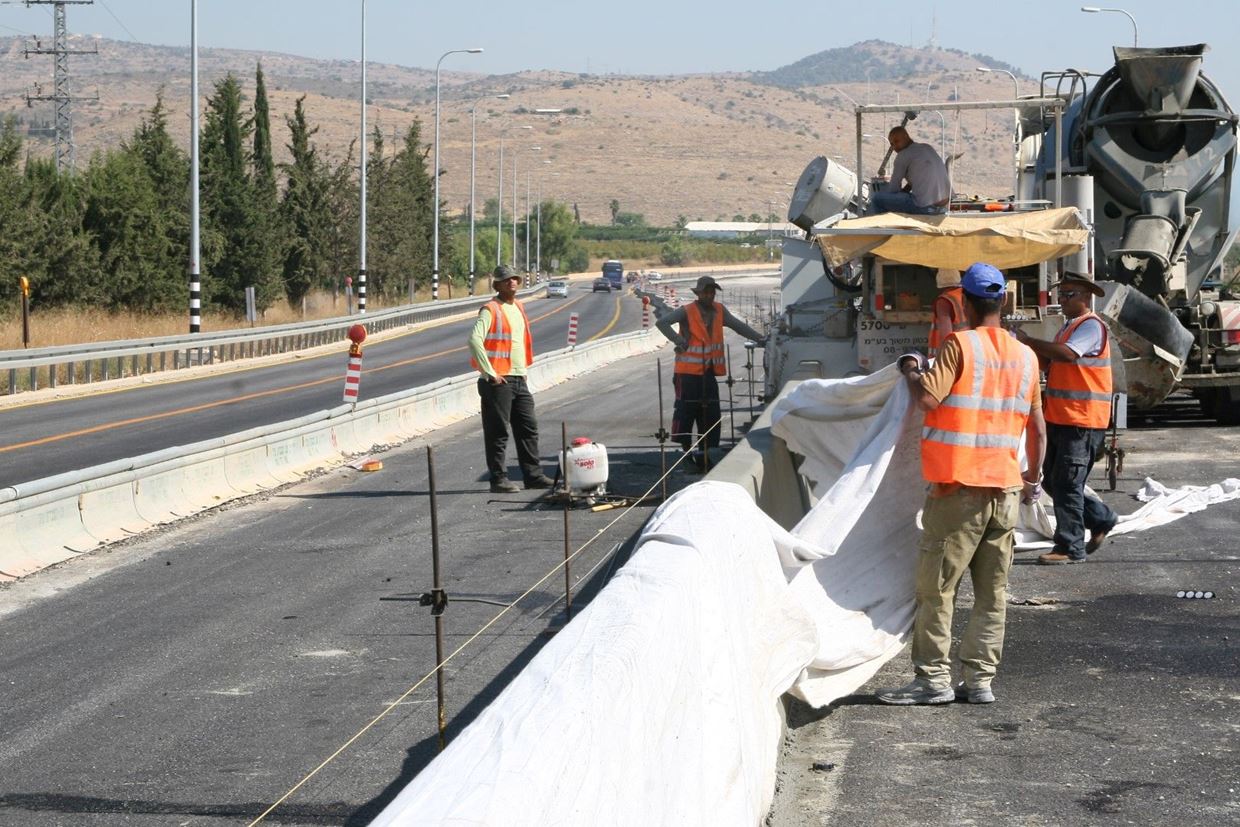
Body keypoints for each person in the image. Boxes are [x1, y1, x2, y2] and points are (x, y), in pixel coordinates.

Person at [877, 262, 1046, 706]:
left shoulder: (960, 345)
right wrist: (1031, 479)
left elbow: (929, 398)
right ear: (1004, 301)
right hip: (1006, 492)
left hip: (959, 493)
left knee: (938, 589)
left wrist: (911, 367)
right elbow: (1039, 430)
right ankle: (980, 681)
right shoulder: (1025, 356)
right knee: (993, 593)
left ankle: (932, 681)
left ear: (965, 303)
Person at [1013, 273, 1119, 565]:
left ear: (1087, 296)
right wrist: (1026, 348)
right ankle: (1101, 518)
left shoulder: (1091, 326)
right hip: (1062, 417)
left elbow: (1068, 356)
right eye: (1061, 294)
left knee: (1067, 483)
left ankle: (1070, 547)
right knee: (1053, 482)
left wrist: (1030, 340)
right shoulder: (1068, 329)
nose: (1062, 300)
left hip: (1081, 420)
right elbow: (1053, 360)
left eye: (1069, 294)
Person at [655, 276, 765, 470]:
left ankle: (705, 454)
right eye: (706, 292)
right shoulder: (687, 311)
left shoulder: (719, 310)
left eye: (712, 292)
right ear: (698, 293)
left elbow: (739, 326)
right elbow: (662, 323)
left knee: (711, 414)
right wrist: (678, 341)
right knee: (686, 412)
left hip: (708, 373)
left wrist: (760, 339)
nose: (709, 295)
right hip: (686, 374)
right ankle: (686, 452)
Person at [468, 265, 555, 494]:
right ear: (497, 285)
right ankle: (498, 479)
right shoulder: (490, 309)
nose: (512, 283)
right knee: (498, 432)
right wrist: (490, 373)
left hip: (518, 378)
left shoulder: (518, 307)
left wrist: (522, 368)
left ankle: (533, 476)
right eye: (507, 280)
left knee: (528, 428)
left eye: (515, 279)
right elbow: (475, 340)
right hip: (499, 381)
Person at [868, 126, 951, 216]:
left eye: (896, 141)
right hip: (944, 206)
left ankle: (884, 228)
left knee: (877, 199)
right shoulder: (927, 148)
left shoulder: (902, 155)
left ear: (906, 136)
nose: (894, 146)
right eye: (892, 144)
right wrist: (904, 191)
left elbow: (893, 189)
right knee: (903, 197)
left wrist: (897, 196)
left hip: (926, 207)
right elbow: (919, 179)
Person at [928, 268, 968, 357]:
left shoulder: (944, 301)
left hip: (951, 354)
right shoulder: (966, 296)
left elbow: (946, 336)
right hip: (967, 349)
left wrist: (945, 359)